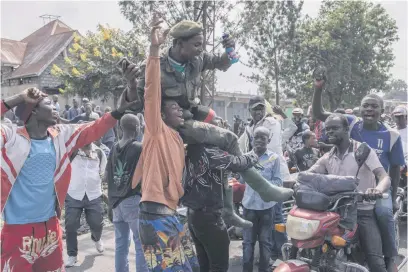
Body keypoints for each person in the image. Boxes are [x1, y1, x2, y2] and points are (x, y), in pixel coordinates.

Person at [124, 20, 293, 229]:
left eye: (201, 44)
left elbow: (222, 63)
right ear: (179, 44)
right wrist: (131, 84)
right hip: (173, 125)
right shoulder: (157, 66)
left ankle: (228, 208)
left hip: (193, 114)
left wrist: (230, 48)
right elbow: (139, 102)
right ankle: (261, 188)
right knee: (229, 138)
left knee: (219, 147)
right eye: (196, 44)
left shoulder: (197, 59)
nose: (200, 49)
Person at [0, 87, 134, 271]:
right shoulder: (10, 137)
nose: (55, 108)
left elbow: (93, 129)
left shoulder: (59, 135)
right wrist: (18, 98)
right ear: (34, 111)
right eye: (49, 104)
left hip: (51, 230)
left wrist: (118, 111)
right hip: (18, 231)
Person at [312, 72, 404, 271]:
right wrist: (318, 88)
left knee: (384, 212)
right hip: (345, 193)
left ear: (382, 110)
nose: (369, 109)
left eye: (374, 106)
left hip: (373, 191)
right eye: (366, 105)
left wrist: (389, 193)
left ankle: (390, 257)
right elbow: (319, 114)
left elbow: (393, 170)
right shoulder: (352, 124)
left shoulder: (391, 135)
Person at [130, 19, 199, 272]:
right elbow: (151, 91)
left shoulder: (178, 140)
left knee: (190, 266)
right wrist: (154, 50)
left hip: (171, 216)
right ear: (160, 113)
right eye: (173, 107)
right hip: (156, 218)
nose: (179, 111)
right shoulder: (156, 131)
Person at [308, 113, 391, 272]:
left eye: (335, 128)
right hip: (335, 213)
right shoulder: (328, 156)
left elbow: (384, 176)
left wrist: (377, 189)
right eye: (328, 129)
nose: (330, 132)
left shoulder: (363, 151)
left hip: (362, 212)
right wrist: (292, 181)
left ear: (346, 129)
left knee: (376, 263)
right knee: (317, 250)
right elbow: (309, 174)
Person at [182, 144, 258, 272]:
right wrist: (253, 156)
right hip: (208, 217)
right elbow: (237, 163)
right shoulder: (210, 152)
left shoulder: (190, 150)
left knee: (204, 263)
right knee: (219, 266)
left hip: (193, 215)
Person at [106, 114, 148, 272]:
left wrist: (110, 202)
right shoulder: (139, 147)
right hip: (132, 201)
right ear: (137, 128)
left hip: (116, 203)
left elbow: (108, 176)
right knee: (141, 244)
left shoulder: (113, 148)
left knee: (121, 245)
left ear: (120, 128)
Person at [241, 127, 282, 272]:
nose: (259, 140)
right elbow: (240, 179)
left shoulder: (274, 158)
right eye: (256, 137)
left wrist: (263, 184)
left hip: (266, 207)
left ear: (268, 140)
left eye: (263, 138)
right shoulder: (245, 157)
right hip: (248, 207)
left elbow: (278, 181)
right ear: (252, 139)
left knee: (265, 243)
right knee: (247, 243)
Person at [65, 140, 107, 267]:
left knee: (97, 223)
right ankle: (72, 255)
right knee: (71, 225)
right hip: (73, 193)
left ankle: (97, 238)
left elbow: (103, 173)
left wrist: (98, 183)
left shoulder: (99, 153)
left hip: (94, 194)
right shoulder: (72, 151)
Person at [238, 96, 297, 182]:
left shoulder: (271, 123)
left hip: (277, 174)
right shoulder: (249, 128)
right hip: (261, 175)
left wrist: (282, 114)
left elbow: (269, 149)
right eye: (255, 109)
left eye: (261, 108)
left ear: (265, 109)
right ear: (249, 110)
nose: (258, 112)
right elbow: (239, 146)